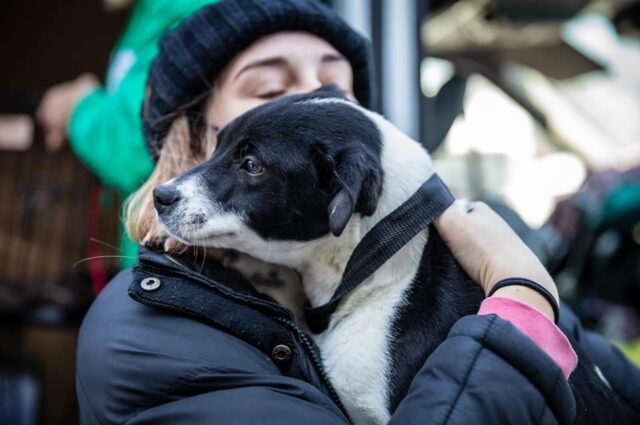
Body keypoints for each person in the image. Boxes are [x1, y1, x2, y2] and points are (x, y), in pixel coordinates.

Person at [76, 1, 640, 424]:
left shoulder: (418, 280)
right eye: (269, 87)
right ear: (195, 135)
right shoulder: (147, 336)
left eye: (333, 89)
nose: (304, 101)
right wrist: (520, 303)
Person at [36, 0, 217, 267]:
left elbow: (142, 150)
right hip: (151, 253)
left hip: (182, 265)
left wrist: (79, 108)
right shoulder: (149, 11)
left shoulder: (189, 10)